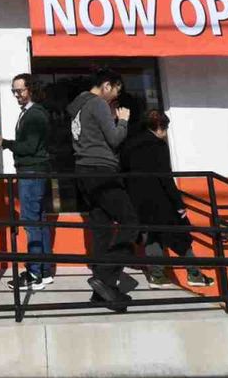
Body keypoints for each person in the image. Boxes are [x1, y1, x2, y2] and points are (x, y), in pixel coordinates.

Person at [66, 68, 138, 311]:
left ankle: (102, 293)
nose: (115, 98)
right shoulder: (97, 103)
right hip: (102, 170)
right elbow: (115, 139)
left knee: (102, 230)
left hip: (83, 170)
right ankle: (105, 275)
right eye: (116, 90)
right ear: (106, 85)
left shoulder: (77, 106)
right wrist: (124, 121)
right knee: (131, 222)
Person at [121, 110, 215, 289]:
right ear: (160, 127)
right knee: (181, 235)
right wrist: (179, 204)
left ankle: (156, 275)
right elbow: (165, 177)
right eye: (165, 129)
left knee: (151, 236)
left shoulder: (129, 145)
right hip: (160, 198)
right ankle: (194, 274)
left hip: (138, 200)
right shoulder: (158, 145)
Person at [0, 73, 53, 291]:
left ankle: (35, 273)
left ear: (31, 89)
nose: (16, 94)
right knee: (38, 221)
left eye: (20, 90)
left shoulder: (34, 115)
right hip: (35, 171)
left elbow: (29, 147)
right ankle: (42, 271)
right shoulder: (33, 113)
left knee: (31, 222)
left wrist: (3, 142)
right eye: (14, 90)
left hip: (32, 172)